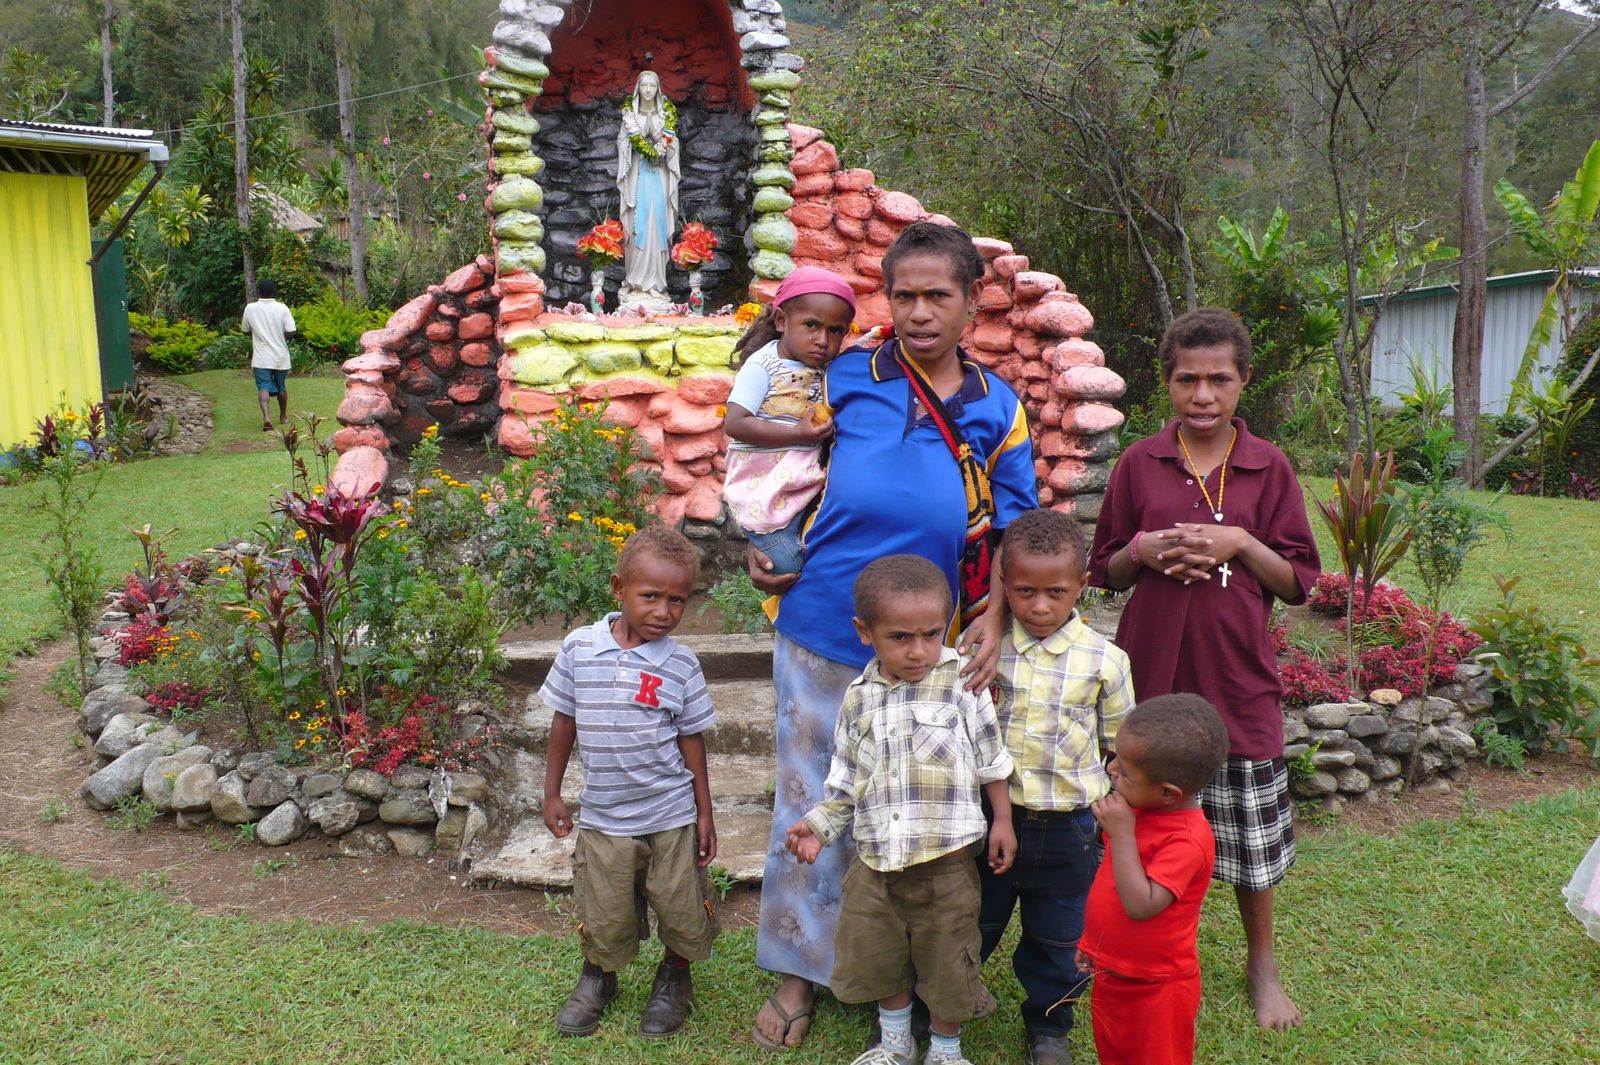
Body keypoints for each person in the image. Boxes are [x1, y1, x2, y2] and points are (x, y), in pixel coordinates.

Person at [749, 222, 1038, 1050]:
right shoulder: (843, 375)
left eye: (935, 295)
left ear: (971, 300)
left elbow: (1018, 525)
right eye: (902, 294)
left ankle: (906, 975)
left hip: (929, 650)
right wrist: (759, 539)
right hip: (822, 624)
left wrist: (994, 613)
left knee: (918, 807)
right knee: (810, 798)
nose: (917, 311)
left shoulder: (997, 405)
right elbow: (771, 465)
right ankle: (798, 972)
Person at [1088, 307, 1321, 1031]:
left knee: (1250, 838)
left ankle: (1261, 961)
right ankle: (1114, 939)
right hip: (1151, 675)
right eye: (1187, 378)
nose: (1203, 394)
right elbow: (1105, 568)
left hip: (1235, 677)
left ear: (1244, 380)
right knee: (1133, 817)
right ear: (1167, 383)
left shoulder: (1268, 466)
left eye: (1219, 378)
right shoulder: (1140, 462)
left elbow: (1298, 581)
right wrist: (1147, 549)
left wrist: (1238, 541)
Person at [786, 554, 1017, 1065]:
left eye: (932, 634)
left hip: (948, 864)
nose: (918, 651)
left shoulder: (963, 682)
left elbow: (990, 756)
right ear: (864, 632)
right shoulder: (858, 698)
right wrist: (818, 827)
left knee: (949, 958)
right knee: (880, 953)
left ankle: (946, 1049)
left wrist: (1002, 819)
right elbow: (846, 778)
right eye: (900, 638)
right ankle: (894, 1043)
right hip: (874, 864)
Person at [539, 525, 719, 1039]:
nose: (664, 611)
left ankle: (674, 977)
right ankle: (599, 976)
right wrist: (552, 791)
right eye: (651, 597)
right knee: (605, 905)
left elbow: (692, 740)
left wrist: (705, 813)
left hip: (670, 813)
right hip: (604, 815)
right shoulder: (579, 649)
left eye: (677, 600)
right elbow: (563, 723)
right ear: (619, 589)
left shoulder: (681, 664)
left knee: (681, 901)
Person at [975, 507, 1135, 1065]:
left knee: (1061, 937)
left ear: (1082, 588)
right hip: (995, 819)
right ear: (1005, 586)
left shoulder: (1106, 663)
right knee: (974, 920)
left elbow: (1118, 748)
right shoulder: (987, 653)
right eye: (1023, 592)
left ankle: (1049, 1026)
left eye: (1055, 592)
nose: (1040, 606)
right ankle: (941, 1003)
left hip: (1070, 828)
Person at [1074, 693, 1231, 1065]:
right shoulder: (1137, 811)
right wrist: (1093, 944)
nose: (1111, 770)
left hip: (1157, 987)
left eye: (1125, 770)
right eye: (1115, 758)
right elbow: (1111, 887)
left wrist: (1123, 834)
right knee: (1113, 1052)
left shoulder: (1188, 838)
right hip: (1115, 973)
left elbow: (1141, 904)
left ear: (1168, 794)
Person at [721, 266, 858, 576]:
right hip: (764, 480)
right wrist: (799, 434)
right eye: (811, 325)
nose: (823, 340)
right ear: (781, 321)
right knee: (788, 565)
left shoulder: (831, 367)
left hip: (801, 478)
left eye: (836, 330)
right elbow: (736, 422)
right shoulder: (763, 365)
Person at [241, 278, 296, 432]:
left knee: (263, 386)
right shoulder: (282, 308)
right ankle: (283, 416)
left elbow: (245, 330)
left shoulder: (250, 308)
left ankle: (266, 417)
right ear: (274, 292)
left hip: (261, 357)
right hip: (280, 356)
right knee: (281, 387)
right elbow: (291, 331)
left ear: (259, 292)